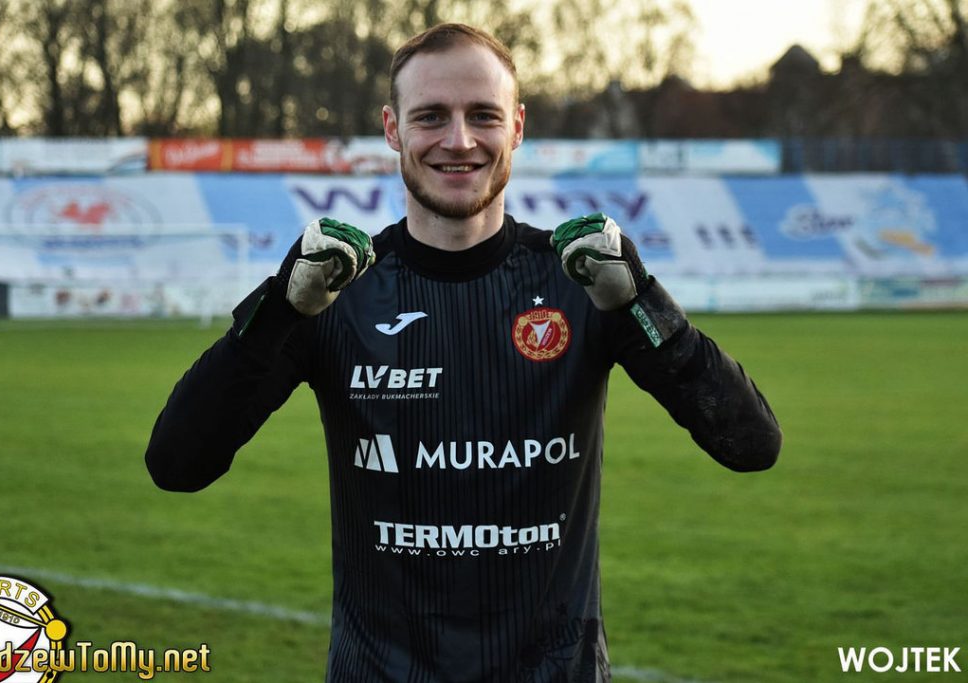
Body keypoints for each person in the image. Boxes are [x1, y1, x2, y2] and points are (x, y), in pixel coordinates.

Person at [145, 22, 782, 682]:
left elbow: (751, 443)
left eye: (483, 115)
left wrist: (643, 300)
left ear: (517, 126)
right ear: (393, 129)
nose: (459, 140)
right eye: (431, 117)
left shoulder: (585, 282)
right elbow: (177, 463)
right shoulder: (335, 291)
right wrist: (280, 308)